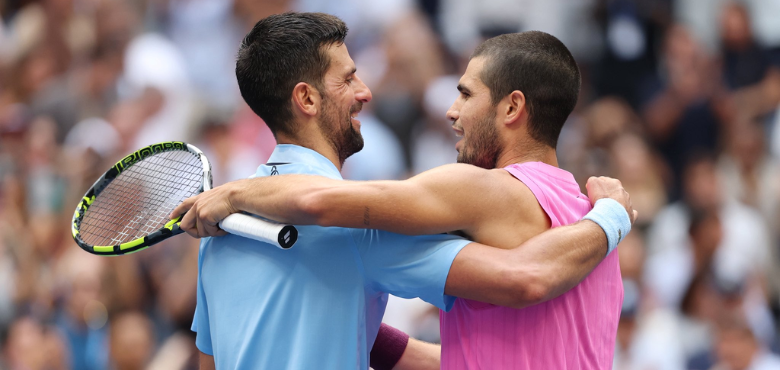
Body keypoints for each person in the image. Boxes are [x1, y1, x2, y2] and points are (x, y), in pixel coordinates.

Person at [173, 12, 635, 370]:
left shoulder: (218, 234)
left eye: (466, 94)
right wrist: (612, 215)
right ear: (307, 99)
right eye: (349, 77)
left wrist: (237, 195)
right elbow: (525, 278)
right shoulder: (359, 232)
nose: (366, 90)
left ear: (514, 106)